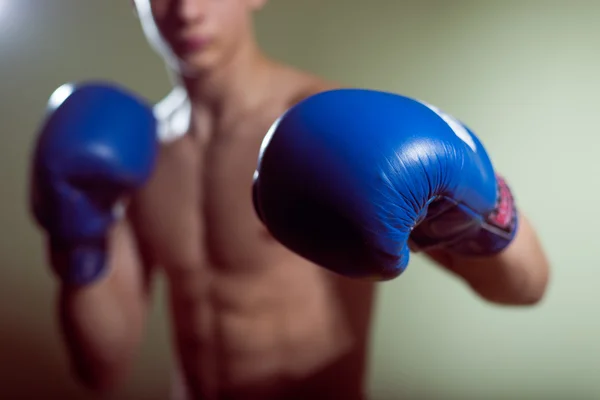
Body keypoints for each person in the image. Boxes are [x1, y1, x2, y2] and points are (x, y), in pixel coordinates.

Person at [29, 1, 550, 399]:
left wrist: (486, 207)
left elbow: (528, 285)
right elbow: (101, 367)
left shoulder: (332, 128)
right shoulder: (135, 151)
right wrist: (75, 235)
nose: (186, 9)